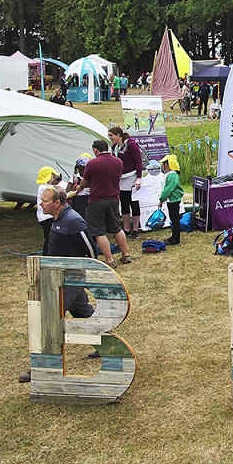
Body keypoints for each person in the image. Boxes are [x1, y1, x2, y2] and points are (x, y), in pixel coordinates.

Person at [19, 185, 99, 384]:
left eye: (45, 201)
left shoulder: (73, 221)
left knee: (50, 321)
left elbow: (90, 250)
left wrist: (82, 274)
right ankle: (107, 344)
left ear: (57, 203)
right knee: (83, 313)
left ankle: (41, 367)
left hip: (69, 279)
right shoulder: (57, 219)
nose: (40, 204)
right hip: (60, 278)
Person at [84, 138, 132, 265]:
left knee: (99, 231)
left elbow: (85, 181)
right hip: (114, 199)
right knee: (116, 228)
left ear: (95, 150)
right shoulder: (118, 162)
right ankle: (125, 254)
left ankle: (110, 260)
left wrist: (82, 186)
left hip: (97, 200)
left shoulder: (91, 164)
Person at [109, 126, 145, 238]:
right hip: (121, 178)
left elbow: (138, 161)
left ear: (118, 135)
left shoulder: (131, 144)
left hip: (132, 176)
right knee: (124, 203)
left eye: (111, 135)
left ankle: (135, 229)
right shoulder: (114, 147)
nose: (110, 138)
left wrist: (139, 178)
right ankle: (126, 229)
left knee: (133, 202)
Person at [159, 157, 183, 245]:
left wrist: (161, 199)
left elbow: (168, 189)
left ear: (168, 165)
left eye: (164, 164)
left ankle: (175, 239)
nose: (162, 166)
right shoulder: (172, 175)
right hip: (172, 200)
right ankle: (174, 236)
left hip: (173, 200)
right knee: (173, 219)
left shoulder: (172, 175)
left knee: (175, 219)